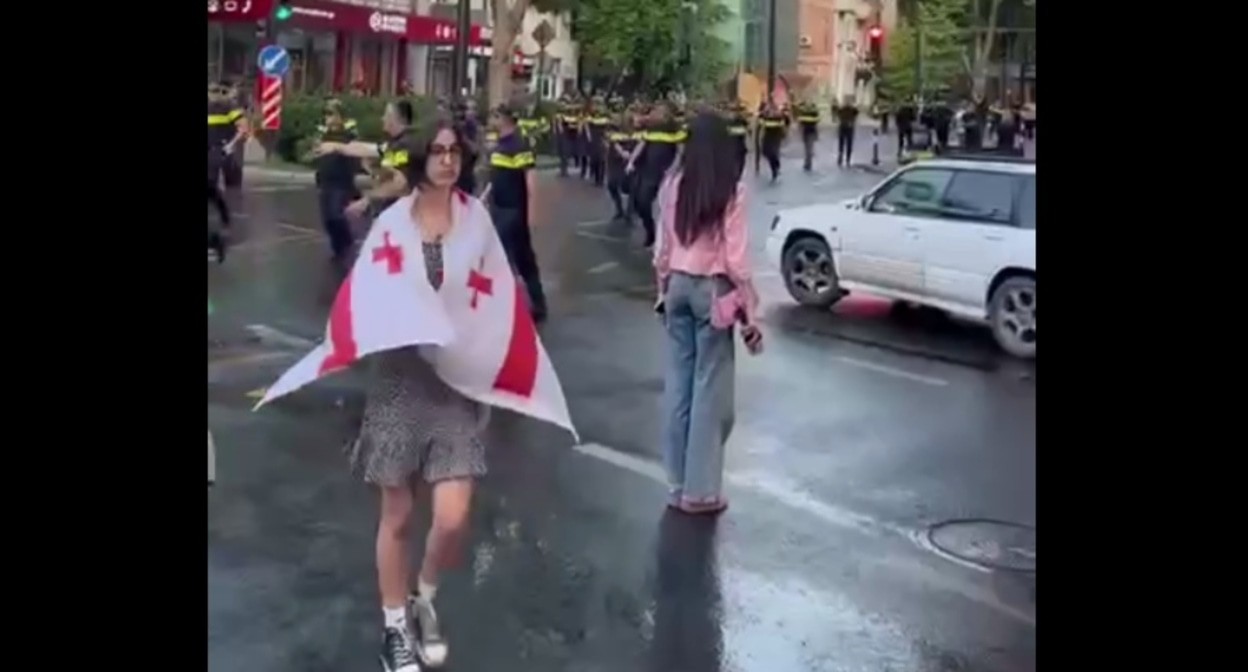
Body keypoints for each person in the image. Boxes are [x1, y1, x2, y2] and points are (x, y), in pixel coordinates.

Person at [346, 116, 489, 672]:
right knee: (399, 515)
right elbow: (363, 293)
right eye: (437, 151)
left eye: (455, 151)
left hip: (456, 383)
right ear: (419, 160)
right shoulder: (393, 224)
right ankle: (393, 628)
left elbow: (497, 293)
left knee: (453, 517)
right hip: (400, 382)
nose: (448, 160)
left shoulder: (475, 221)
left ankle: (422, 598)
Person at [653, 112, 763, 515]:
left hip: (677, 287)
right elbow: (736, 260)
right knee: (709, 390)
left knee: (679, 384)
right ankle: (700, 492)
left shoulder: (672, 185)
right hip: (713, 291)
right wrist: (749, 306)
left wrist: (662, 287)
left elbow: (663, 247)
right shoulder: (730, 191)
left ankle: (677, 482)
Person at [481, 105, 547, 322]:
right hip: (498, 208)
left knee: (503, 256)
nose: (491, 120)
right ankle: (537, 304)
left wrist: (533, 212)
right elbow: (497, 176)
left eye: (494, 117)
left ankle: (506, 306)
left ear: (505, 119)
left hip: (513, 210)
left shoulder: (519, 144)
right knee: (523, 258)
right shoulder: (501, 144)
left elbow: (530, 179)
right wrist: (484, 197)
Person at [315, 100, 420, 222]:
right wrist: (337, 147)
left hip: (400, 218)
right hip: (394, 215)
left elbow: (399, 183)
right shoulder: (397, 143)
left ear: (396, 119)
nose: (382, 118)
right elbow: (371, 150)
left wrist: (367, 200)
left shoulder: (403, 146)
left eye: (386, 115)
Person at [627, 102, 685, 248]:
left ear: (666, 114)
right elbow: (642, 144)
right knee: (642, 202)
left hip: (666, 172)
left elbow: (680, 150)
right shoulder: (651, 128)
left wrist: (674, 168)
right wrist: (631, 161)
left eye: (659, 112)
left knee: (667, 207)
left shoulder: (674, 128)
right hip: (649, 171)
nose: (655, 114)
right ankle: (650, 231)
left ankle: (668, 240)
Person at [308, 101, 361, 260]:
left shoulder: (348, 135)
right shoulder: (324, 134)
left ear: (340, 116)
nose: (327, 118)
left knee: (335, 215)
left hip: (340, 182)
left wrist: (352, 183)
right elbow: (318, 154)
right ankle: (338, 247)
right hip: (325, 181)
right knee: (327, 219)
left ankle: (347, 243)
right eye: (326, 114)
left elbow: (354, 157)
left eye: (331, 114)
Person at [605, 109, 639, 223]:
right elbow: (613, 143)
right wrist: (622, 153)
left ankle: (630, 211)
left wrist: (632, 157)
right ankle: (619, 209)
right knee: (612, 185)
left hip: (632, 161)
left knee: (632, 186)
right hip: (615, 161)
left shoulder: (638, 132)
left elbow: (641, 145)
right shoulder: (614, 130)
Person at [757, 101, 786, 181]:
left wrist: (783, 134)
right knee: (765, 151)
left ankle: (775, 168)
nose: (771, 111)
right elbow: (760, 122)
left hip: (776, 136)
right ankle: (775, 166)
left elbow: (782, 124)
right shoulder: (764, 115)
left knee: (773, 152)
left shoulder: (779, 115)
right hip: (768, 136)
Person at [795, 98, 820, 171]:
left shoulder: (813, 109)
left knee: (809, 148)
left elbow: (817, 120)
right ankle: (807, 162)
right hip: (806, 131)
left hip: (810, 131)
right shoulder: (803, 109)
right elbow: (800, 120)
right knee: (807, 148)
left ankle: (808, 163)